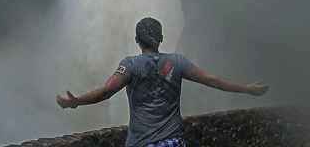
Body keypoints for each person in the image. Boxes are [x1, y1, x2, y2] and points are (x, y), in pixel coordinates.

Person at [56, 17, 269, 147]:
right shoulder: (177, 62)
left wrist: (76, 102)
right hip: (173, 143)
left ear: (137, 39)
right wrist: (247, 89)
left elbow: (107, 91)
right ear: (161, 38)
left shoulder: (130, 65)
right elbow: (211, 80)